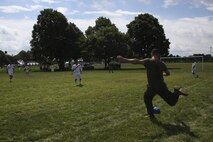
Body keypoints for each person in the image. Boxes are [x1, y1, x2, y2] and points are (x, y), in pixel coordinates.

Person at [117, 48, 188, 120]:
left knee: (147, 97)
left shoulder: (148, 61)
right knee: (172, 102)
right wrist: (162, 74)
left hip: (152, 87)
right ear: (158, 55)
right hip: (162, 87)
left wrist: (124, 59)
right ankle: (176, 93)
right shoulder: (162, 63)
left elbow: (136, 61)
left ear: (152, 54)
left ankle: (151, 115)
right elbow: (168, 73)